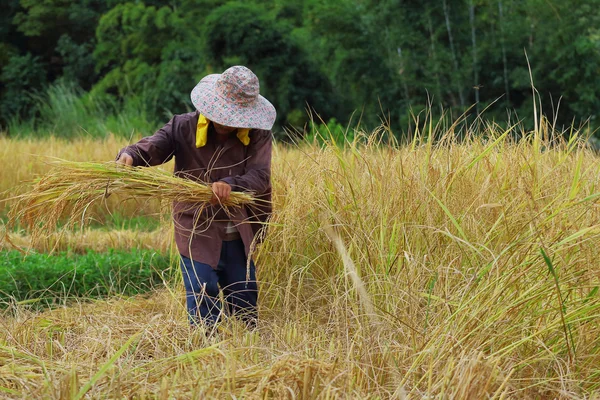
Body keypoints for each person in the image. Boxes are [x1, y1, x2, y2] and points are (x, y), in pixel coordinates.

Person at [116, 66, 275, 330]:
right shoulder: (183, 126)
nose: (227, 122)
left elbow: (260, 176)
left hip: (238, 228)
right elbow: (155, 146)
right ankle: (206, 348)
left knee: (244, 296)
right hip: (196, 226)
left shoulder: (256, 134)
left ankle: (246, 353)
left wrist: (230, 184)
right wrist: (131, 155)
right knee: (203, 290)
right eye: (223, 114)